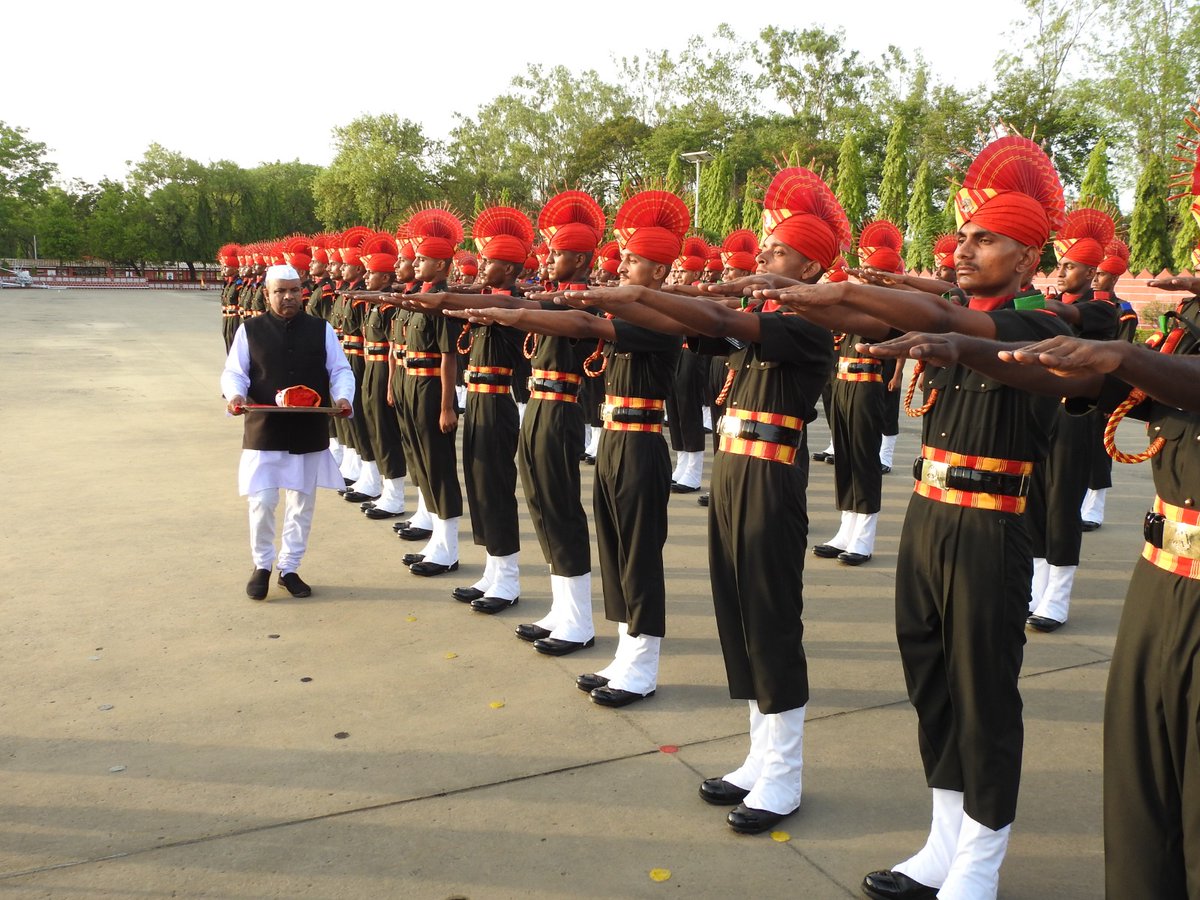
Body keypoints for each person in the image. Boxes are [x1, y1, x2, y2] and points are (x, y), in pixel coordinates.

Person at [772, 134, 1071, 900]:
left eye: (986, 239)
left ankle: (981, 863)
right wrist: (843, 298)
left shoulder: (1050, 323)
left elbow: (944, 317)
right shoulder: (958, 311)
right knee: (931, 679)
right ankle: (944, 842)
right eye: (964, 237)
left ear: (1030, 259)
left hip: (993, 530)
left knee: (985, 694)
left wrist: (838, 294)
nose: (965, 249)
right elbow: (925, 308)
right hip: (931, 518)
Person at [569, 167, 852, 832]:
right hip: (733, 472)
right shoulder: (766, 317)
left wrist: (631, 294)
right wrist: (629, 296)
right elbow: (701, 322)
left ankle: (785, 773)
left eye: (779, 252)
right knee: (740, 616)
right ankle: (760, 756)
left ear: (811, 264)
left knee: (772, 619)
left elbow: (714, 318)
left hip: (771, 479)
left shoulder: (810, 323)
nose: (764, 258)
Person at [451, 188, 688, 706]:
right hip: (609, 436)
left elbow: (581, 324)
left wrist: (513, 315)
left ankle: (641, 663)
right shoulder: (621, 308)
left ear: (661, 272)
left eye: (633, 260)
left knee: (636, 555)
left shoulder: (660, 318)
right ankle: (615, 645)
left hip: (637, 442)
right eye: (622, 257)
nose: (621, 265)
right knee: (607, 543)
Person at [220, 264, 354, 600]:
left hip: (308, 428)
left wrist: (342, 397)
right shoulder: (249, 330)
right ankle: (262, 564)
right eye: (280, 291)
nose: (288, 297)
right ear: (267, 294)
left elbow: (340, 370)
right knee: (263, 501)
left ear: (302, 292)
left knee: (301, 505)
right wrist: (235, 395)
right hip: (265, 428)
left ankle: (289, 567)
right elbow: (235, 373)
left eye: (294, 290)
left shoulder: (321, 329)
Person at [1024, 206, 1119, 632]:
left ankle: (1057, 596)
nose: (1061, 273)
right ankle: (1036, 589)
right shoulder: (1050, 303)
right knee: (1035, 503)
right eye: (1059, 265)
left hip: (1075, 416)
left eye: (1071, 267)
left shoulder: (1104, 310)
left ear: (1092, 272)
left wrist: (1027, 301)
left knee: (1063, 506)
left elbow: (1068, 316)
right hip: (1041, 412)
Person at [813, 220, 903, 566]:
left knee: (864, 460)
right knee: (846, 458)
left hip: (867, 387)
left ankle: (863, 537)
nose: (863, 276)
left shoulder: (885, 308)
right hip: (843, 384)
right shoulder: (857, 304)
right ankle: (845, 528)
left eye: (871, 272)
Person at [394, 206, 466, 577]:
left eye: (422, 259)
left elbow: (447, 357)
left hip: (430, 390)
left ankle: (448, 546)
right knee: (420, 462)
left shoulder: (442, 303)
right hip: (410, 384)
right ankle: (437, 538)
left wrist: (446, 406)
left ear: (441, 265)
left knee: (438, 467)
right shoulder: (418, 297)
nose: (414, 263)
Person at [1079, 237, 1136, 530]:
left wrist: (1111, 398)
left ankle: (1094, 509)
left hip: (1102, 388)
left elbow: (1122, 355)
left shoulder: (1123, 310)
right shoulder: (1082, 304)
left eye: (1100, 274)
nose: (1095, 278)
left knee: (1099, 448)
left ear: (1113, 277)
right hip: (1076, 385)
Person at [665, 236, 712, 494]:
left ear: (695, 271)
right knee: (675, 408)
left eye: (683, 271)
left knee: (689, 408)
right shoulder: (678, 290)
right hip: (678, 353)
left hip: (694, 354)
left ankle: (693, 470)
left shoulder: (701, 291)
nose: (678, 275)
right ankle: (681, 463)